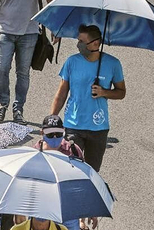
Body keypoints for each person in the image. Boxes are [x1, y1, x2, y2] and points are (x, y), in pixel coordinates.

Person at [50, 24, 125, 173]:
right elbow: (62, 93)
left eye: (82, 42)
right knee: (71, 170)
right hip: (73, 125)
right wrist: (52, 118)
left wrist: (104, 92)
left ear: (95, 44)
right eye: (78, 41)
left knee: (92, 172)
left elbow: (121, 92)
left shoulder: (113, 64)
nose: (78, 45)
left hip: (99, 128)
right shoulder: (72, 62)